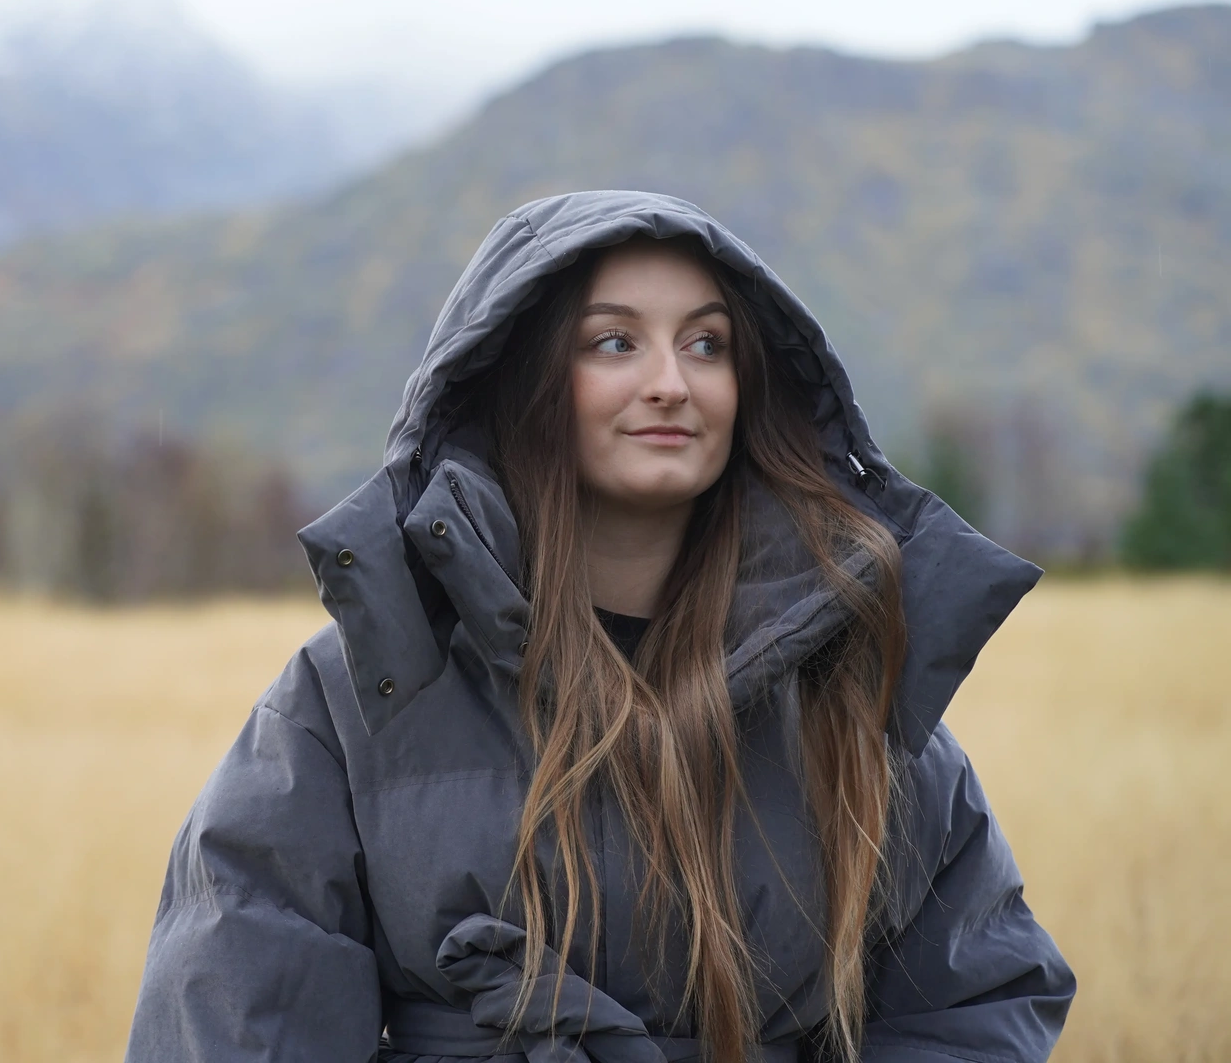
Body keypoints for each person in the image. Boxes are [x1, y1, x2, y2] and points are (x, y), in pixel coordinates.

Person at [125, 191, 1074, 1063]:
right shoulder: (356, 698)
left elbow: (974, 1005)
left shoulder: (848, 691)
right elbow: (239, 1018)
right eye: (614, 343)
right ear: (522, 382)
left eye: (707, 345)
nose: (671, 382)